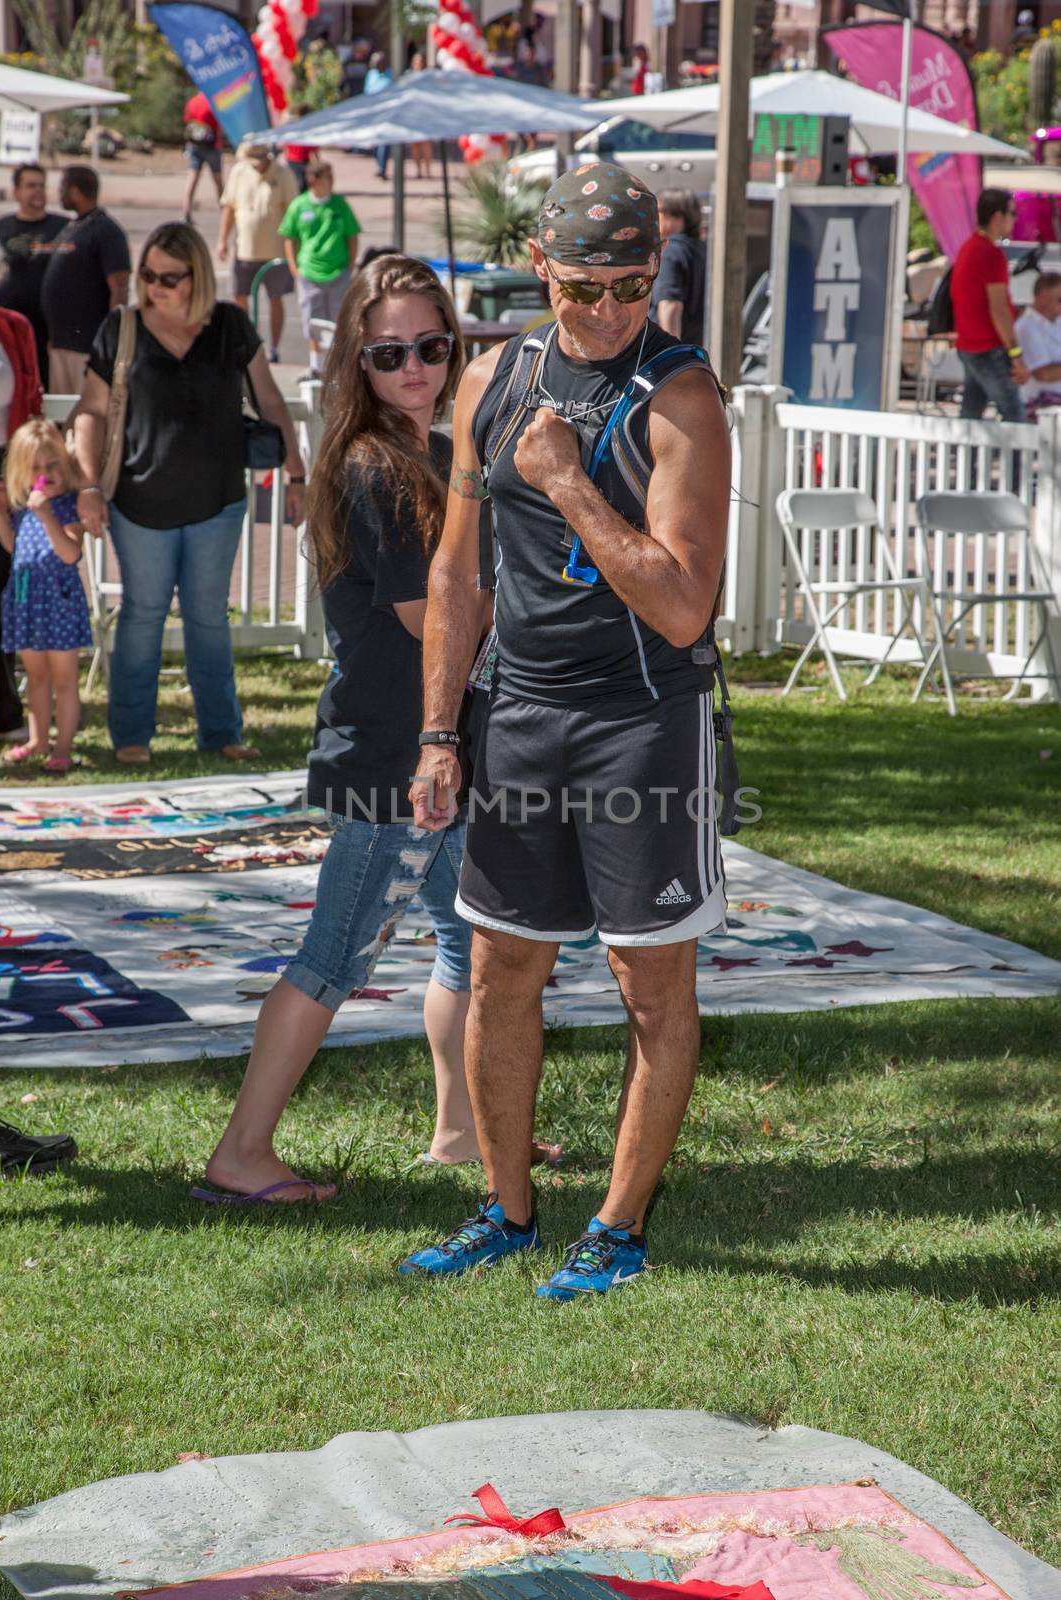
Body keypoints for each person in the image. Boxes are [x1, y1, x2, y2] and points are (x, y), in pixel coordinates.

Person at [403, 165, 730, 1300]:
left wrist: (569, 480)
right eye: (585, 286)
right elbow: (455, 571)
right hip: (520, 714)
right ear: (538, 268)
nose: (607, 310)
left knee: (650, 988)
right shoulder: (492, 377)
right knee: (500, 970)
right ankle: (505, 1205)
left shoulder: (678, 394)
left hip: (644, 722)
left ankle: (619, 1223)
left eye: (633, 284)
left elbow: (685, 603)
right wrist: (439, 730)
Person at [197, 256, 480, 1202]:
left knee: (470, 942)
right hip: (393, 760)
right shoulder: (374, 465)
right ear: (357, 360)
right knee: (333, 957)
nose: (415, 368)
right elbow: (423, 617)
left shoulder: (434, 452)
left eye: (432, 347)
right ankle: (242, 1155)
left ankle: (460, 1133)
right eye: (391, 352)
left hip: (434, 750)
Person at [72, 222, 306, 767]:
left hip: (219, 505)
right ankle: (131, 736)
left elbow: (270, 402)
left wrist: (297, 476)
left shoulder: (230, 325)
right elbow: (89, 411)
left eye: (168, 277)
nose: (154, 285)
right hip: (138, 507)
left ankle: (221, 734)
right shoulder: (121, 328)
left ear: (196, 274)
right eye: (147, 274)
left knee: (208, 619)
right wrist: (87, 484)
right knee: (142, 616)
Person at [0, 417, 90, 773]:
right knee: (35, 678)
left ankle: (62, 746)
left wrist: (48, 515)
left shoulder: (69, 506)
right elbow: (16, 549)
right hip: (27, 603)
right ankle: (37, 740)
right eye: (35, 467)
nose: (45, 474)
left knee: (64, 680)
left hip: (60, 605)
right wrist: (0, 517)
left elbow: (70, 553)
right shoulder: (23, 509)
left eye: (53, 466)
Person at [0, 247, 44, 743]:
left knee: (7, 591)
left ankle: (8, 713)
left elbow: (31, 401)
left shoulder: (15, 327)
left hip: (9, 469)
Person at [40, 166, 130, 398]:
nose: (57, 193)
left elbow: (119, 287)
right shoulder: (74, 227)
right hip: (62, 345)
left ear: (75, 190)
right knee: (61, 417)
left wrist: (112, 342)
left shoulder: (106, 231)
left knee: (85, 417)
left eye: (62, 188)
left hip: (87, 349)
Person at [951, 189, 1028, 423]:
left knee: (970, 417)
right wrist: (1015, 353)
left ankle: (962, 458)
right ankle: (1017, 461)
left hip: (969, 346)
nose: (1015, 219)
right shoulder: (990, 253)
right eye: (1013, 213)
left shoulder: (968, 247)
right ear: (997, 216)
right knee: (1015, 416)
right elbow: (999, 309)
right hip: (988, 349)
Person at [279, 161, 361, 376]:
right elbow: (290, 237)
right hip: (309, 273)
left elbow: (352, 236)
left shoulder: (340, 204)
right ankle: (316, 365)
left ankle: (337, 366)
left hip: (338, 272)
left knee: (338, 319)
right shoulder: (299, 205)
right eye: (327, 176)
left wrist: (349, 267)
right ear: (312, 180)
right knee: (312, 319)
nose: (331, 181)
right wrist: (294, 268)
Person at [218, 142, 297, 363]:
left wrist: (294, 248)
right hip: (244, 249)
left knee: (275, 299)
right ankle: (245, 343)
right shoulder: (239, 171)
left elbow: (293, 213)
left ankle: (273, 348)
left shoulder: (283, 174)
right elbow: (229, 208)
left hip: (275, 251)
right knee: (239, 298)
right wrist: (222, 240)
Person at [0, 163, 68, 388]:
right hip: (8, 329)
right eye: (30, 185)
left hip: (50, 331)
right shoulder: (0, 227)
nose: (37, 190)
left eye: (41, 185)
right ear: (16, 191)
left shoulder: (64, 227)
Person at [651, 188, 708, 344]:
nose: (654, 220)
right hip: (694, 349)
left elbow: (670, 304)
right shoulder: (702, 249)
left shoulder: (670, 251)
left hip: (672, 354)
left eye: (657, 213)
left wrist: (672, 355)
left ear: (674, 216)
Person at [1015, 271, 1061, 416]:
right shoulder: (1026, 327)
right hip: (1043, 405)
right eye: (1060, 299)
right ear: (1042, 298)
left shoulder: (1057, 321)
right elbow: (1043, 374)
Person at [183, 90, 225, 221]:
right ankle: (223, 211)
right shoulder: (212, 103)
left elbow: (187, 120)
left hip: (195, 144)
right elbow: (218, 125)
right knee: (218, 180)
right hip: (212, 146)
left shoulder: (193, 101)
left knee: (192, 178)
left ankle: (186, 210)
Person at [364, 52, 394, 180]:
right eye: (373, 62)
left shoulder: (391, 75)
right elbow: (367, 91)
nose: (374, 65)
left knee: (384, 142)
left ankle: (382, 168)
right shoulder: (371, 74)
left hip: (386, 113)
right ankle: (379, 164)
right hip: (373, 112)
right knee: (376, 142)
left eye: (377, 62)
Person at [408, 54, 433, 178]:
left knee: (425, 144)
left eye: (421, 62)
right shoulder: (410, 78)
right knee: (415, 144)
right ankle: (418, 170)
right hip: (413, 115)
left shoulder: (429, 78)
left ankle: (428, 169)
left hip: (425, 114)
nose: (419, 64)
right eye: (417, 62)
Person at [284, 106, 319, 193]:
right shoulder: (307, 129)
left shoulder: (292, 126)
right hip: (301, 160)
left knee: (297, 182)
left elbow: (285, 144)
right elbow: (313, 149)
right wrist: (317, 160)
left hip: (293, 160)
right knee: (302, 184)